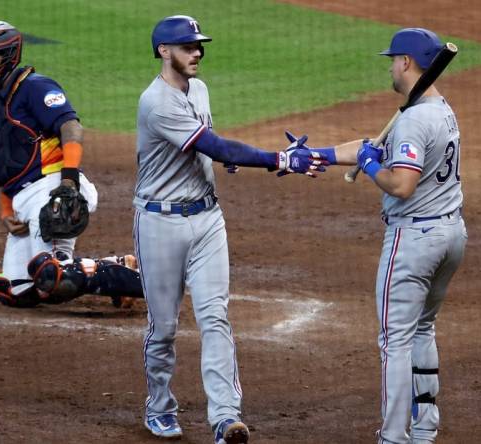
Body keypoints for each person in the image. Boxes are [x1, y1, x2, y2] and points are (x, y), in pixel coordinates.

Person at [134, 15, 328, 444]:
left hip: (207, 220)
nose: (197, 52)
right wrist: (277, 159)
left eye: (198, 45)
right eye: (187, 47)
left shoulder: (198, 89)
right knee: (163, 326)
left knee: (215, 317)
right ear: (164, 51)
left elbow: (211, 143)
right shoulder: (156, 101)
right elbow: (213, 144)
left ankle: (225, 417)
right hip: (159, 223)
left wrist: (230, 158)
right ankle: (159, 405)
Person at [297, 28, 467, 443]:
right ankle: (424, 428)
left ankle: (393, 437)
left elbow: (401, 185)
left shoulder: (413, 120)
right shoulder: (438, 108)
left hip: (414, 242)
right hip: (450, 235)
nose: (390, 66)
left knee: (394, 342)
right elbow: (373, 144)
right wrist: (317, 154)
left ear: (407, 62)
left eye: (393, 60)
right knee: (422, 330)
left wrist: (373, 169)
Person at [0, 21, 143, 309]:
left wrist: (69, 181)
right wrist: (7, 209)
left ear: (8, 56)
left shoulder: (34, 87)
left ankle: (151, 283)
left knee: (53, 277)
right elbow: (7, 171)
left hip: (54, 189)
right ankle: (116, 267)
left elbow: (70, 127)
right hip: (25, 202)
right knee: (14, 291)